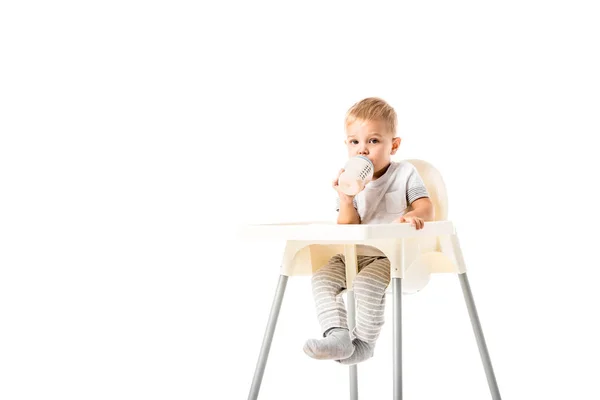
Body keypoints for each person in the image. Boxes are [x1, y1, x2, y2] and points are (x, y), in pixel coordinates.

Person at [303, 97, 435, 365]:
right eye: (355, 142)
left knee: (365, 284)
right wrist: (346, 199)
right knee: (321, 279)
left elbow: (426, 206)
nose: (362, 150)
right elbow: (348, 227)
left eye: (373, 141)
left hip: (385, 256)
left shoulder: (405, 173)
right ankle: (337, 335)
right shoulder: (350, 180)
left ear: (393, 145)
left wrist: (414, 216)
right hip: (351, 253)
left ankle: (364, 342)